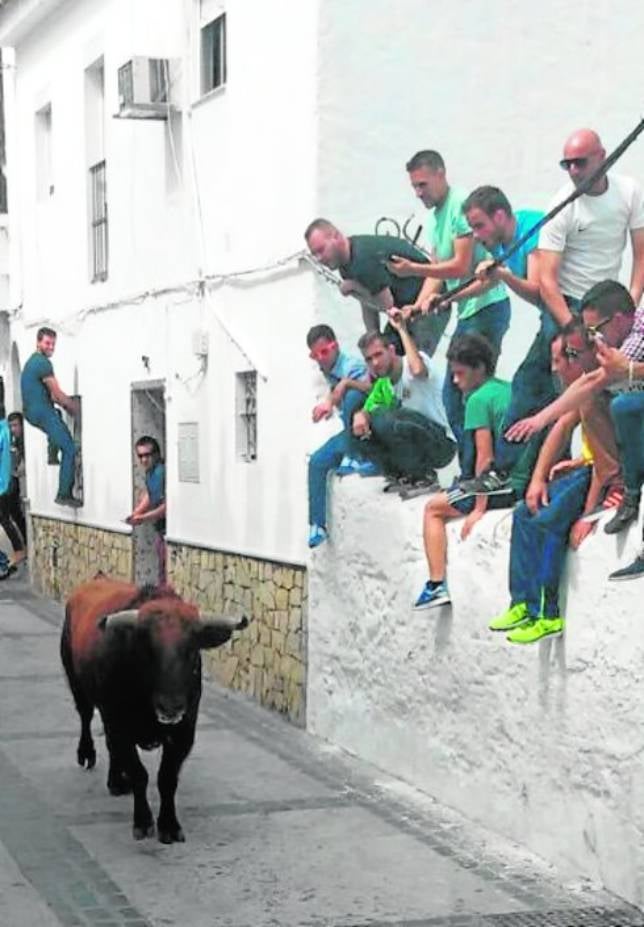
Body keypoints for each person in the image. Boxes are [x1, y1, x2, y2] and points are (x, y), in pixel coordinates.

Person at [489, 322, 622, 644]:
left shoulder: (600, 389)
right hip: (586, 469)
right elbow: (562, 427)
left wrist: (588, 517)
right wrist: (537, 480)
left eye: (564, 357)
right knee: (524, 513)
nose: (555, 368)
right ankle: (521, 602)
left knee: (547, 524)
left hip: (600, 476)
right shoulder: (583, 392)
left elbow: (606, 466)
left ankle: (547, 613)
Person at [387, 150, 511, 447]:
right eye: (414, 187)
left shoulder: (460, 206)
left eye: (423, 184)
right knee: (455, 394)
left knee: (467, 392)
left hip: (488, 306)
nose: (418, 193)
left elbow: (460, 265)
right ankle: (473, 466)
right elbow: (438, 274)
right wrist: (415, 307)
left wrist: (411, 268)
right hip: (469, 311)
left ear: (440, 174)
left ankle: (484, 464)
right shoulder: (434, 218)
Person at [413, 334, 517, 610]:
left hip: (499, 489)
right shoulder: (508, 389)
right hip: (519, 482)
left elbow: (485, 457)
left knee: (432, 509)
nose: (456, 381)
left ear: (480, 368)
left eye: (460, 373)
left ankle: (436, 584)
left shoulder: (477, 401)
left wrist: (478, 508)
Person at [538, 128, 644, 327]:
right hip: (566, 303)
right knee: (551, 358)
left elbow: (642, 255)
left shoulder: (629, 192)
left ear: (602, 157)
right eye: (566, 165)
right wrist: (572, 328)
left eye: (580, 163)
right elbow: (546, 280)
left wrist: (632, 304)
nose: (573, 171)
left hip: (608, 305)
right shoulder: (560, 207)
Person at [303, 219, 445, 356]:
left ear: (337, 237)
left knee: (417, 366)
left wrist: (355, 287)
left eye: (321, 250)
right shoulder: (345, 263)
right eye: (314, 254)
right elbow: (368, 304)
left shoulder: (363, 257)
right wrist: (372, 338)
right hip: (403, 311)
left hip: (428, 303)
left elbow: (386, 304)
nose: (319, 258)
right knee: (384, 358)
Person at [350, 316, 456, 492]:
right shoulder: (385, 384)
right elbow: (369, 410)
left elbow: (418, 371)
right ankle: (402, 475)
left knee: (387, 417)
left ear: (391, 351)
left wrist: (402, 329)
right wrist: (361, 415)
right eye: (369, 359)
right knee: (361, 429)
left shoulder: (414, 362)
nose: (375, 363)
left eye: (379, 355)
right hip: (418, 435)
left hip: (443, 443)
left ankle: (426, 476)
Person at [307, 324, 372, 549]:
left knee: (353, 396)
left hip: (367, 429)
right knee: (317, 461)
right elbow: (335, 393)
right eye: (315, 355)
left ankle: (354, 455)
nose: (320, 359)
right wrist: (329, 404)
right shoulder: (329, 370)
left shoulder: (352, 365)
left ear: (335, 346)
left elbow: (370, 389)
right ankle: (317, 524)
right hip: (347, 431)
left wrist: (345, 386)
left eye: (324, 352)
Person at [20, 327, 80, 507]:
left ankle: (52, 454)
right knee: (70, 448)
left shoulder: (31, 362)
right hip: (42, 411)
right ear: (38, 342)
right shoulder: (42, 363)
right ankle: (64, 493)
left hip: (32, 412)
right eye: (47, 343)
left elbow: (52, 397)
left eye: (53, 344)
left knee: (58, 415)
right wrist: (75, 408)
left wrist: (63, 406)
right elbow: (57, 394)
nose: (50, 347)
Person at [126, 436, 167, 584]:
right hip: (160, 528)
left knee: (165, 569)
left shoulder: (162, 473)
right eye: (140, 456)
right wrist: (136, 513)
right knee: (161, 568)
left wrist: (143, 518)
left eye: (147, 455)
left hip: (167, 527)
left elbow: (167, 506)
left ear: (156, 454)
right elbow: (150, 495)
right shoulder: (150, 473)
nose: (144, 460)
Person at [0, 410, 27, 571]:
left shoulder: (22, 443)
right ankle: (22, 547)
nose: (13, 429)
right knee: (14, 514)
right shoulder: (13, 441)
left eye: (16, 425)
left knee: (6, 516)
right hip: (9, 481)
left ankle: (19, 549)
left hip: (9, 483)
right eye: (11, 426)